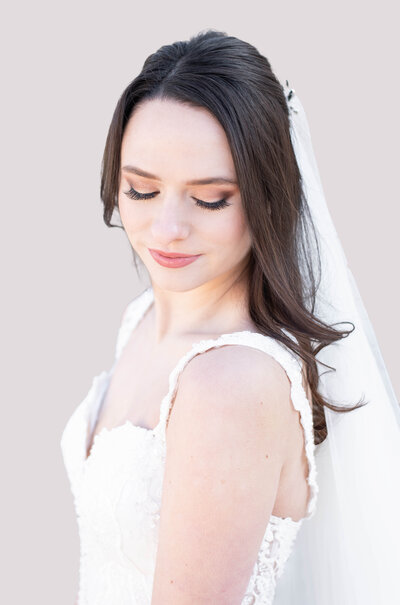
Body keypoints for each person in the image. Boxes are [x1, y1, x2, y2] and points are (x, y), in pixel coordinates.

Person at [60, 30, 400, 605]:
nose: (167, 229)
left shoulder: (230, 384)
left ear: (268, 196)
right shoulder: (142, 318)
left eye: (210, 198)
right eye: (141, 190)